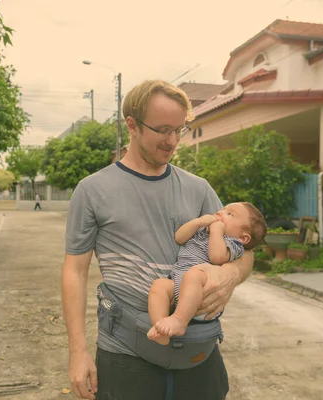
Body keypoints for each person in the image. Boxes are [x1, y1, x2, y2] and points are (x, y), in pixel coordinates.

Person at [62, 80, 254, 400]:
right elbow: (74, 271)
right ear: (132, 125)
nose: (172, 141)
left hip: (198, 353)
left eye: (180, 130)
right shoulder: (92, 190)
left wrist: (231, 275)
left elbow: (245, 253)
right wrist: (77, 352)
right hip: (126, 354)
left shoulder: (199, 189)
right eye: (163, 130)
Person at [147, 202, 267, 345]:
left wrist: (217, 231)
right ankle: (160, 327)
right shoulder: (202, 232)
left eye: (230, 214)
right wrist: (197, 223)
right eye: (222, 209)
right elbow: (179, 238)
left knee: (195, 274)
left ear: (243, 238)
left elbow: (216, 257)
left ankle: (179, 321)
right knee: (159, 285)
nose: (220, 213)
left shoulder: (233, 244)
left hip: (202, 296)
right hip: (180, 288)